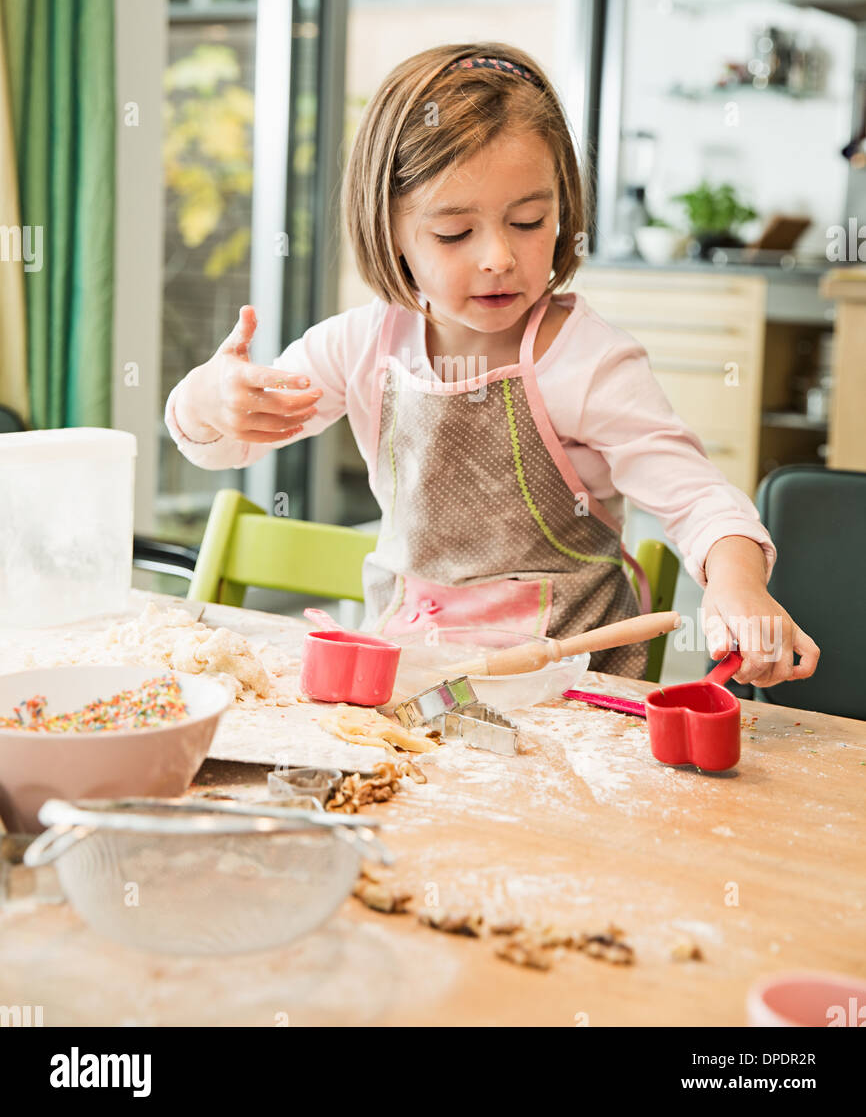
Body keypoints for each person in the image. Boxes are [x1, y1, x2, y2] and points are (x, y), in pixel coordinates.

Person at [165, 42, 820, 686]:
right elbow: (228, 446)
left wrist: (736, 584)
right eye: (455, 233)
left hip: (570, 694)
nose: (498, 257)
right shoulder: (361, 346)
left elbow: (699, 499)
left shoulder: (587, 362)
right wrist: (207, 401)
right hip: (406, 682)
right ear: (388, 226)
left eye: (530, 221)